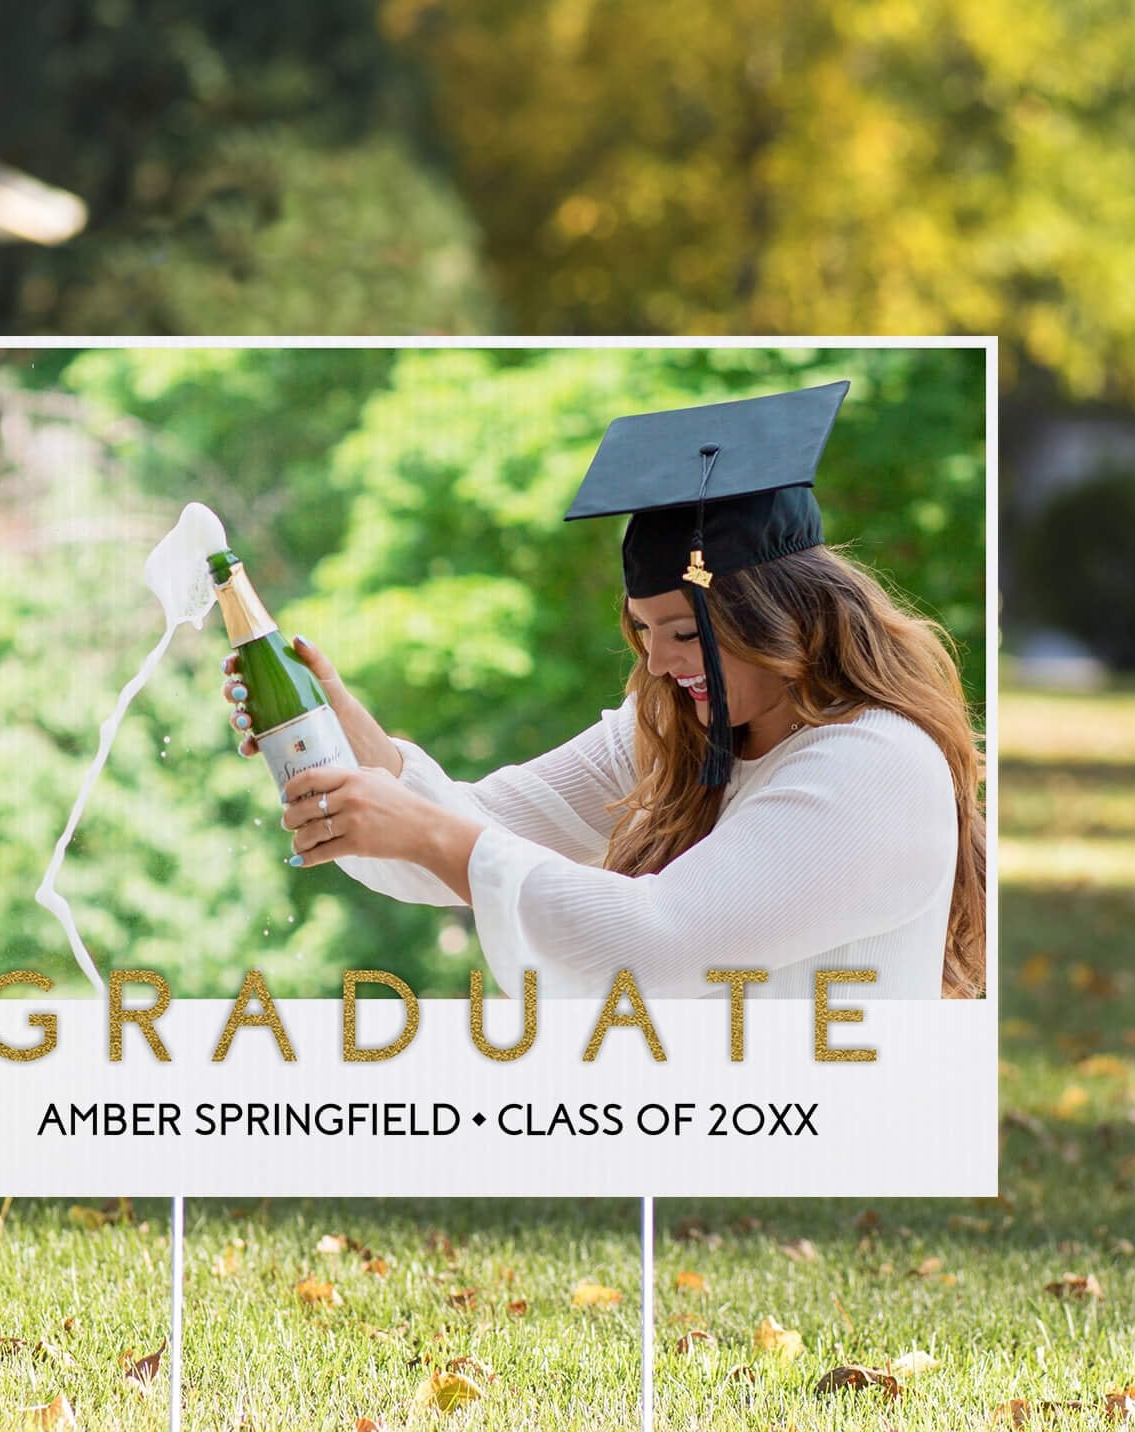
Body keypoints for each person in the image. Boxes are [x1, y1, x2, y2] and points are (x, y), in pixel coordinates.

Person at [219, 381, 985, 1001]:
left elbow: (655, 946)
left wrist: (427, 833)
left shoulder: (873, 765)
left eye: (683, 633)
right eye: (642, 632)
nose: (657, 663)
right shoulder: (674, 732)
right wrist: (334, 726)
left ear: (781, 617)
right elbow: (469, 829)